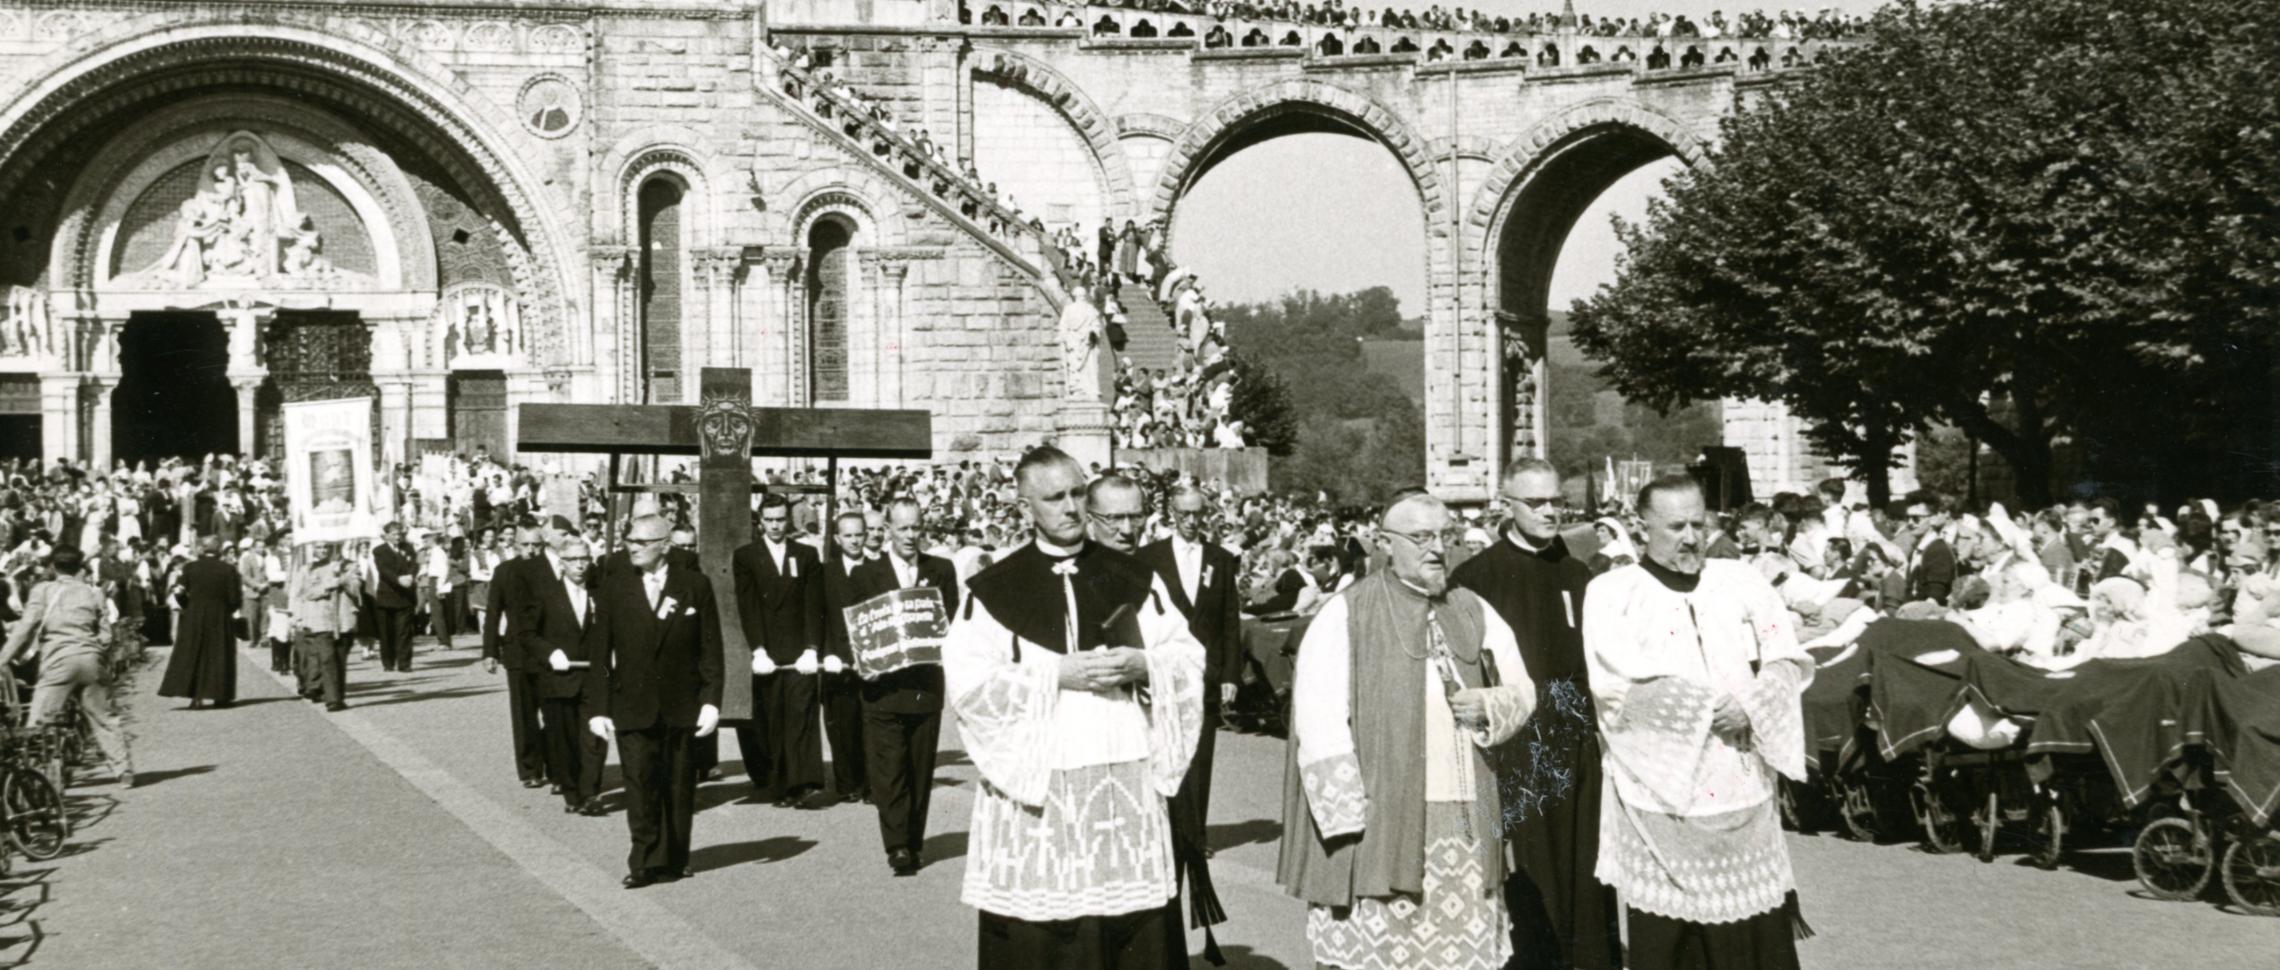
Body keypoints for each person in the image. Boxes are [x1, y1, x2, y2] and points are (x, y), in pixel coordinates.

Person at [943, 446, 1206, 968]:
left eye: (1077, 493)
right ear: (1024, 508)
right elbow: (970, 685)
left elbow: (1186, 655)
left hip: (1121, 771)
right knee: (1046, 925)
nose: (1070, 507)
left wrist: (1142, 664)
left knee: (1128, 920)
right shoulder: (993, 590)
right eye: (1054, 497)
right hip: (1042, 779)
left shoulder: (1133, 576)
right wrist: (1053, 674)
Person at [1277, 490, 1538, 970]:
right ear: (1383, 542)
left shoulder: (1473, 608)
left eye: (1445, 536)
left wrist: (1491, 704)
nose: (1437, 548)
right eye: (1420, 537)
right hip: (1379, 816)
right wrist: (1351, 818)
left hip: (1464, 816)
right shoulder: (1346, 613)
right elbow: (1317, 719)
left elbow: (1523, 689)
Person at [1582, 475, 1814, 970]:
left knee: (1753, 939)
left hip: (1740, 783)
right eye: (1675, 526)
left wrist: (1751, 702)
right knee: (1674, 944)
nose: (1690, 537)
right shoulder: (1611, 592)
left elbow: (1787, 656)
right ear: (1641, 528)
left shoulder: (1740, 579)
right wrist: (1711, 710)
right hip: (1663, 795)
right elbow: (1614, 688)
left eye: (1698, 523)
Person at [1448, 459, 1621, 970]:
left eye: (1556, 501)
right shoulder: (1476, 577)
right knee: (1535, 870)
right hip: (1520, 741)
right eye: (1536, 503)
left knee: (1587, 867)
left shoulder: (1575, 571)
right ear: (1507, 505)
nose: (1550, 511)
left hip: (1578, 734)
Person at [587, 514, 724, 889]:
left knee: (679, 786)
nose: (632, 547)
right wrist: (598, 708)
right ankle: (644, 861)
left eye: (641, 542)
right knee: (639, 783)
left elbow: (710, 647)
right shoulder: (614, 588)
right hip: (632, 705)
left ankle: (676, 858)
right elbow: (600, 653)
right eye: (629, 540)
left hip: (681, 704)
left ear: (665, 545)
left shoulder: (694, 585)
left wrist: (712, 701)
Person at [1136, 484, 1244, 955]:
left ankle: (1194, 836)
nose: (1191, 521)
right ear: (1170, 514)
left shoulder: (1220, 559)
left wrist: (1229, 674)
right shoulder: (1149, 556)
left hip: (1203, 677)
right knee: (1164, 755)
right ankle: (1167, 829)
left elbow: (1228, 620)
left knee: (1200, 760)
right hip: (1161, 677)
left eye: (1198, 514)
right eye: (1183, 514)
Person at [851, 498, 959, 876]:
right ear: (888, 531)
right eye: (903, 529)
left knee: (918, 769)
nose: (911, 535)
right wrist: (861, 662)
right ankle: (897, 845)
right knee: (889, 772)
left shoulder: (940, 570)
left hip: (924, 688)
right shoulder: (866, 574)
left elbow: (953, 623)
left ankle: (914, 841)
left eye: (916, 528)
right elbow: (855, 629)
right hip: (882, 690)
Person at [0, 547, 133, 786]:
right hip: (90, 660)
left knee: (39, 722)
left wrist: (3, 659)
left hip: (58, 662)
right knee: (104, 717)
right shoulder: (92, 593)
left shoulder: (43, 590)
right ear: (80, 567)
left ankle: (37, 780)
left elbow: (25, 628)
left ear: (52, 567)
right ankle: (123, 771)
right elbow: (105, 636)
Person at [733, 493, 827, 807]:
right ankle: (780, 784)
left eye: (780, 519)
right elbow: (748, 607)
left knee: (801, 715)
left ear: (788, 520)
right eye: (769, 520)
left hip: (799, 649)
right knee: (772, 718)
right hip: (768, 652)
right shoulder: (746, 556)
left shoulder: (806, 554)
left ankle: (803, 783)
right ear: (760, 521)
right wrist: (757, 649)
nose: (775, 526)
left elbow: (814, 604)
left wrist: (812, 648)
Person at [524, 536, 607, 816]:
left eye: (584, 559)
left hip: (595, 676)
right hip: (558, 678)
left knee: (594, 736)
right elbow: (527, 634)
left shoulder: (601, 592)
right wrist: (549, 653)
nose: (580, 566)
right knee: (564, 740)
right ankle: (572, 793)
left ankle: (590, 793)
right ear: (562, 563)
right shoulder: (545, 593)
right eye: (573, 560)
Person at [484, 525, 550, 789]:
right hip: (517, 653)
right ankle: (530, 770)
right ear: (516, 546)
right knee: (524, 716)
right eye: (525, 545)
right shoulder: (504, 572)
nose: (531, 550)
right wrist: (490, 651)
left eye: (536, 545)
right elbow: (493, 612)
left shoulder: (551, 571)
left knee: (555, 714)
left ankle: (557, 768)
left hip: (548, 652)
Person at [818, 510, 872, 804]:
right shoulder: (826, 573)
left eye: (858, 535)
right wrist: (827, 653)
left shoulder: (878, 570)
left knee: (870, 724)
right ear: (838, 539)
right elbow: (819, 616)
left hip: (868, 662)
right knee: (841, 724)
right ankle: (847, 782)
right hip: (836, 661)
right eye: (848, 536)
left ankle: (871, 784)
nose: (854, 541)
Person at [157, 535, 241, 708]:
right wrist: (227, 610)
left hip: (194, 616)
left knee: (195, 653)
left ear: (203, 549)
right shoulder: (228, 569)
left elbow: (179, 592)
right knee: (219, 655)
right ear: (218, 550)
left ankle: (195, 697)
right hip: (219, 616)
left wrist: (189, 607)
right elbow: (234, 598)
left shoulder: (190, 568)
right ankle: (220, 696)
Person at [289, 541, 356, 711]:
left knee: (340, 660)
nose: (323, 551)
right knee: (327, 658)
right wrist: (329, 583)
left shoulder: (349, 566)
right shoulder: (307, 569)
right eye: (319, 547)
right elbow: (305, 593)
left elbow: (357, 590)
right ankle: (332, 699)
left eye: (327, 547)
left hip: (343, 620)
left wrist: (343, 577)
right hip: (320, 620)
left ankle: (338, 696)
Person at [372, 522, 420, 671]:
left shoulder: (408, 548)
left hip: (405, 596)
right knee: (387, 633)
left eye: (399, 534)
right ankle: (388, 662)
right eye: (393, 534)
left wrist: (411, 576)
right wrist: (398, 579)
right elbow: (384, 570)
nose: (397, 537)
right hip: (387, 596)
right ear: (386, 535)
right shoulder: (379, 550)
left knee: (404, 632)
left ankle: (404, 664)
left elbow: (414, 564)